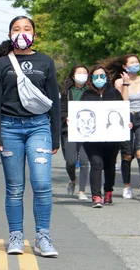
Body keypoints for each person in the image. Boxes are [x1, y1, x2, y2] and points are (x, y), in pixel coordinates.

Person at [0, 15, 60, 258]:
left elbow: (54, 102)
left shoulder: (46, 62)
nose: (22, 33)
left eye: (27, 29)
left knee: (41, 184)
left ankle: (43, 236)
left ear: (34, 35)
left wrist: (56, 136)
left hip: (39, 127)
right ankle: (16, 235)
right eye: (17, 29)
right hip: (9, 129)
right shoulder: (0, 64)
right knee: (15, 188)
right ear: (10, 35)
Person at [80, 65, 124, 208]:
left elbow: (123, 111)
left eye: (101, 76)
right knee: (96, 163)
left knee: (110, 164)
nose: (99, 79)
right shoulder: (86, 95)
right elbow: (79, 113)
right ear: (91, 79)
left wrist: (127, 123)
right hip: (92, 139)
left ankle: (108, 191)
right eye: (95, 76)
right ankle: (96, 196)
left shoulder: (115, 94)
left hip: (112, 137)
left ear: (106, 77)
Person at [106, 54, 140, 199]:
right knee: (127, 154)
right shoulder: (119, 82)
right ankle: (127, 185)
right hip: (125, 117)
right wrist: (126, 84)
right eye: (132, 62)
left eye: (137, 62)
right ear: (124, 66)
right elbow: (123, 102)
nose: (135, 64)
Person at [60, 65, 90, 201]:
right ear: (73, 76)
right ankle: (73, 180)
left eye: (85, 72)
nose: (82, 75)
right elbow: (61, 109)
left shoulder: (91, 91)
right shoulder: (67, 92)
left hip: (86, 130)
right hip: (69, 130)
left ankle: (82, 190)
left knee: (84, 161)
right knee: (70, 161)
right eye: (79, 72)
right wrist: (65, 117)